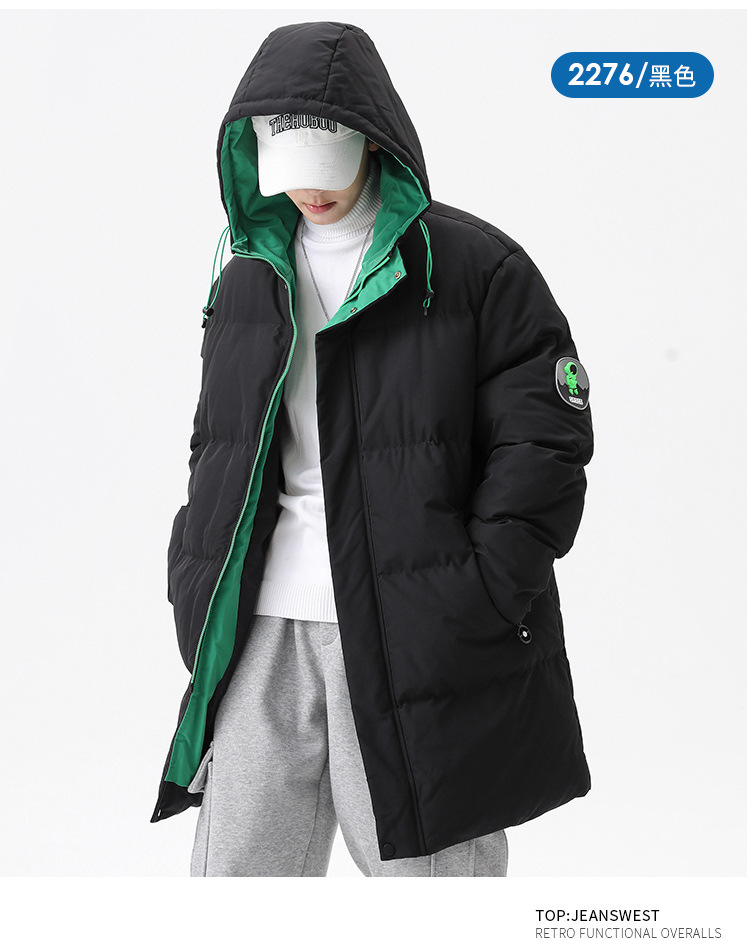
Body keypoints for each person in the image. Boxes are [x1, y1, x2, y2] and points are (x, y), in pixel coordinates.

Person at [151, 21, 594, 878]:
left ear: (373, 137)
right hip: (259, 630)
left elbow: (545, 439)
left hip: (417, 631)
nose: (308, 192)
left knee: (429, 894)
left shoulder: (475, 267)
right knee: (232, 895)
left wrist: (481, 591)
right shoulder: (247, 272)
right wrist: (192, 568)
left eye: (325, 168)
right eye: (289, 170)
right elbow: (217, 442)